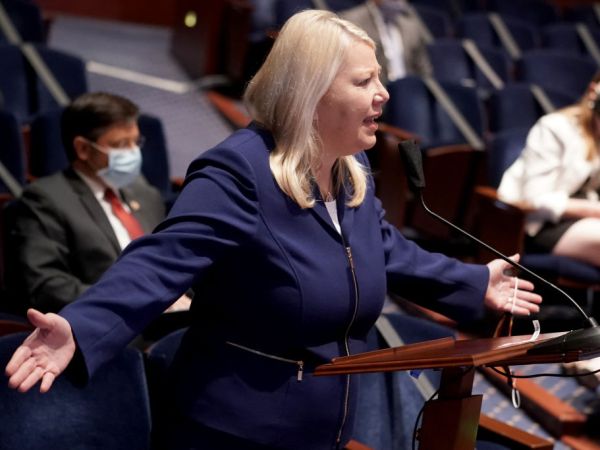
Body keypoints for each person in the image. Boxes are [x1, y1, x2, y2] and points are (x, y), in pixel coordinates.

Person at [5, 10, 541, 450]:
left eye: (379, 77)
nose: (383, 94)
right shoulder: (239, 171)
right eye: (363, 81)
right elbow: (160, 261)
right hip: (234, 431)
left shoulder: (350, 170)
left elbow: (383, 249)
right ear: (311, 92)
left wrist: (476, 283)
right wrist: (81, 327)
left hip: (325, 425)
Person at [3, 92, 191, 315]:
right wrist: (138, 300)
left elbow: (171, 260)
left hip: (175, 316)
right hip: (111, 321)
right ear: (83, 148)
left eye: (136, 142)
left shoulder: (144, 192)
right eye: (120, 144)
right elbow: (47, 287)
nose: (133, 152)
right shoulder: (45, 199)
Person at [498, 73, 600, 268]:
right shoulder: (555, 127)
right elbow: (535, 200)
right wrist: (594, 210)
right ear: (593, 93)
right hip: (537, 224)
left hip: (582, 218)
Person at [340, 0, 433, 86]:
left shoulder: (410, 24)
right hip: (373, 87)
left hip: (408, 90)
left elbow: (424, 70)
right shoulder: (352, 21)